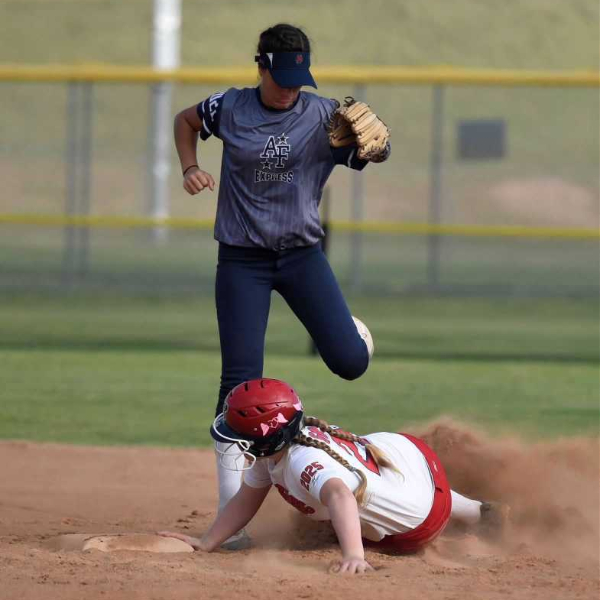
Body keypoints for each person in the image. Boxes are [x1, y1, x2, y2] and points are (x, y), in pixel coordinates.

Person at [172, 23, 388, 548]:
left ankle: (348, 332)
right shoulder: (229, 107)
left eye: (298, 80)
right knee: (238, 384)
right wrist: (190, 166)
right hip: (242, 260)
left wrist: (378, 149)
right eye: (282, 78)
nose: (291, 89)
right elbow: (185, 120)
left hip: (301, 257)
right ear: (261, 66)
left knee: (350, 362)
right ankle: (231, 521)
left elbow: (367, 153)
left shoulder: (323, 116)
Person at [160, 379, 508, 574]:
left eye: (242, 435)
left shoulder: (300, 462)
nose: (238, 442)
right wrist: (208, 541)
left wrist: (354, 554)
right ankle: (479, 512)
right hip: (411, 458)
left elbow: (340, 495)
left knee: (358, 506)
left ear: (266, 436)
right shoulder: (282, 447)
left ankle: (468, 512)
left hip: (420, 523)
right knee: (377, 486)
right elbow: (245, 500)